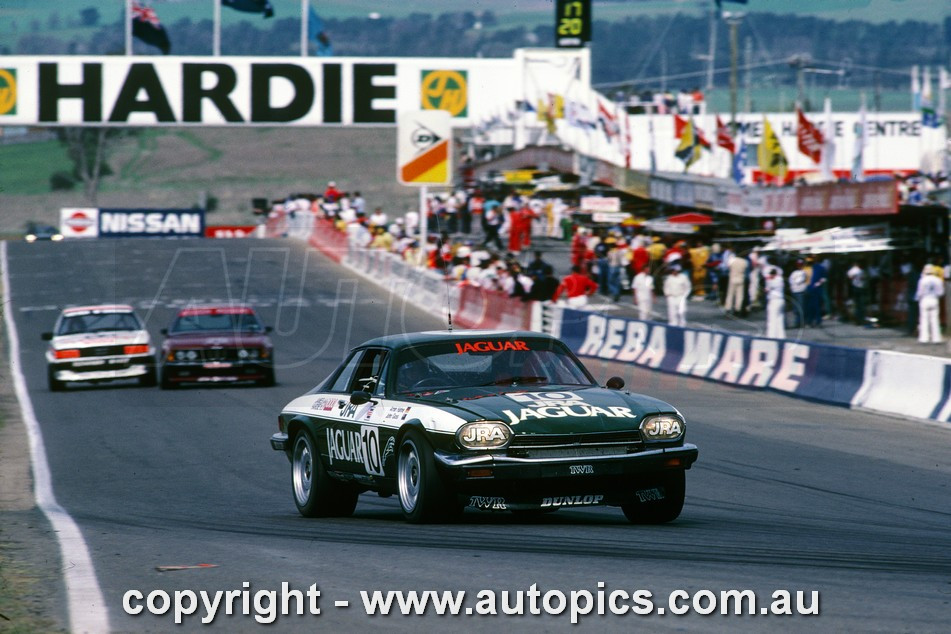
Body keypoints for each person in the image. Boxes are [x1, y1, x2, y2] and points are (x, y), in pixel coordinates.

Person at [915, 264, 944, 343]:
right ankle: (936, 338)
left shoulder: (922, 280)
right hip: (934, 299)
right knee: (935, 319)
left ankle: (924, 338)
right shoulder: (938, 280)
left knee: (924, 319)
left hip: (925, 299)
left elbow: (919, 293)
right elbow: (941, 293)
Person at [804, 256, 827, 327]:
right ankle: (810, 321)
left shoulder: (820, 268)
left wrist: (818, 283)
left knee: (816, 306)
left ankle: (817, 321)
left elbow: (824, 278)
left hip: (816, 290)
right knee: (809, 306)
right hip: (808, 289)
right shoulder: (806, 268)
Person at [764, 265, 786, 339]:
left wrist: (768, 279)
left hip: (774, 300)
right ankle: (781, 337)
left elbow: (767, 289)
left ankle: (771, 336)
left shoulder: (775, 280)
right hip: (780, 300)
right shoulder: (780, 279)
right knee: (779, 320)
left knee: (772, 319)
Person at [725, 250, 748, 315]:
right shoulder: (745, 261)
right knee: (740, 295)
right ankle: (737, 308)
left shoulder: (732, 260)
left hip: (733, 278)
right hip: (741, 278)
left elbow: (728, 266)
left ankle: (728, 308)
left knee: (730, 294)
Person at [846, 261, 869, 326]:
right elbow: (850, 277)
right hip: (858, 288)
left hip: (858, 287)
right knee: (859, 304)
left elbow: (850, 277)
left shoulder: (860, 271)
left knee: (860, 304)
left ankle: (859, 320)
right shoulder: (857, 271)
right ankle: (859, 320)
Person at [788, 259, 809, 329]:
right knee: (796, 308)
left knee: (801, 308)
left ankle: (802, 322)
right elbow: (792, 281)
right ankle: (797, 322)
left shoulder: (803, 272)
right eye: (798, 264)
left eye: (800, 264)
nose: (799, 266)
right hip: (795, 292)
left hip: (800, 292)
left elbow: (797, 281)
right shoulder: (794, 273)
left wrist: (794, 281)